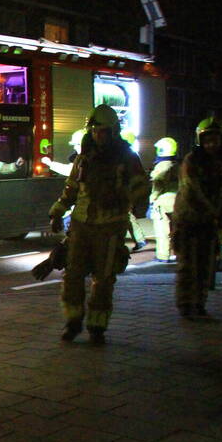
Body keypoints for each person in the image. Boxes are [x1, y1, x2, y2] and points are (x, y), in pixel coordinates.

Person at [48, 104, 148, 344]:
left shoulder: (127, 157)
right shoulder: (84, 158)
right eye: (94, 131)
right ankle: (73, 321)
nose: (98, 136)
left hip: (110, 227)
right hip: (81, 225)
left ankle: (97, 325)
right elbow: (71, 187)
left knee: (103, 279)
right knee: (72, 275)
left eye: (103, 131)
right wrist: (58, 212)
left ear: (113, 132)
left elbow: (142, 186)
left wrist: (126, 199)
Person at [171, 117, 222, 317]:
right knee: (187, 265)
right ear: (200, 140)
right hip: (188, 221)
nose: (211, 145)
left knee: (205, 265)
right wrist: (211, 211)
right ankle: (185, 304)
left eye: (215, 140)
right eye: (207, 140)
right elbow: (191, 190)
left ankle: (199, 303)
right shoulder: (192, 160)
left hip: (209, 222)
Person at [149, 137, 180, 262]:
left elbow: (157, 186)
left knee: (162, 230)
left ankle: (163, 255)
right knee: (178, 230)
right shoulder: (179, 166)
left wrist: (152, 200)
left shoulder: (161, 166)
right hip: (178, 200)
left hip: (163, 202)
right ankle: (180, 253)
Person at [121, 130, 148, 251]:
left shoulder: (128, 155)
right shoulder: (131, 154)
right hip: (130, 190)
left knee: (126, 215)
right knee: (128, 215)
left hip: (128, 191)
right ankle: (140, 239)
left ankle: (139, 240)